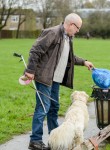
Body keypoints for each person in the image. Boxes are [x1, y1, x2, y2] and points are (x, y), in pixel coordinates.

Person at [25, 13, 94, 150]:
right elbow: (35, 50)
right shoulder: (52, 33)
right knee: (43, 108)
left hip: (55, 80)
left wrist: (84, 62)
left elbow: (69, 57)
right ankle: (35, 141)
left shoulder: (68, 38)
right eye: (78, 28)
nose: (78, 31)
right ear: (71, 25)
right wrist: (30, 71)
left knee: (54, 108)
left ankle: (54, 139)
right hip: (44, 78)